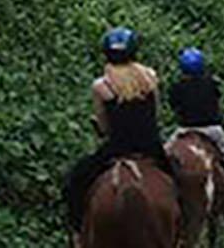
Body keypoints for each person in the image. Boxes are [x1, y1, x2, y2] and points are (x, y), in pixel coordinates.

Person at [63, 27, 175, 234]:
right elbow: (156, 114)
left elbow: (105, 128)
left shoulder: (101, 86)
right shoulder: (150, 77)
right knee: (180, 182)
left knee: (75, 181)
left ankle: (78, 233)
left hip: (117, 148)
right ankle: (181, 233)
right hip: (150, 146)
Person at [167, 47, 224, 229]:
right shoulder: (211, 83)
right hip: (212, 130)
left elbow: (174, 107)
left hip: (184, 129)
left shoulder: (176, 87)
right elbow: (217, 102)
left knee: (161, 159)